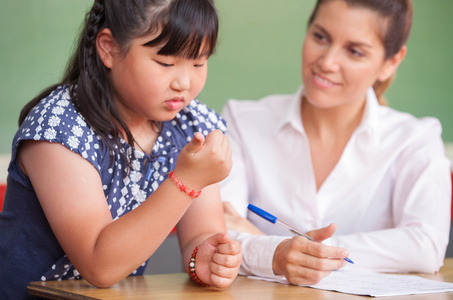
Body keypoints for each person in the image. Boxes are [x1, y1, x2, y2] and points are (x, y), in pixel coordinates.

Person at [0, 1, 242, 299]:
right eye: (165, 63)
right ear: (109, 48)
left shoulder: (190, 124)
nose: (184, 82)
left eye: (198, 63)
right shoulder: (59, 129)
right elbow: (99, 265)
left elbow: (199, 234)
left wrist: (205, 257)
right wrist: (187, 181)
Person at [220, 0, 451, 287]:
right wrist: (276, 252)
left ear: (390, 63)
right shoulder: (242, 122)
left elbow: (425, 246)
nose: (327, 62)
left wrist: (276, 248)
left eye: (354, 51)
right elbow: (219, 235)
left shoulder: (414, 139)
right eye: (320, 37)